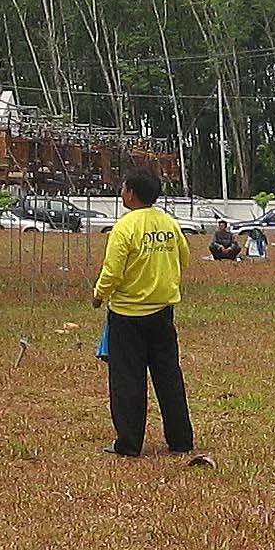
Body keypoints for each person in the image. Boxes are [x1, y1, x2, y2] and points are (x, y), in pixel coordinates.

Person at [92, 170, 193, 458]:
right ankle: (181, 439)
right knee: (169, 376)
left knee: (127, 380)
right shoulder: (169, 224)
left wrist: (99, 295)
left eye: (123, 188)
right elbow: (182, 258)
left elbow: (113, 271)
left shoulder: (125, 228)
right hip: (163, 313)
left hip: (127, 314)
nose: (122, 193)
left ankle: (129, 443)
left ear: (131, 194)